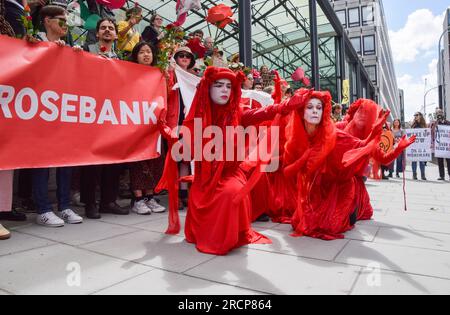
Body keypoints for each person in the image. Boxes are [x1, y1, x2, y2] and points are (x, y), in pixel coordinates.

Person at [158, 67, 299, 255]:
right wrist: (169, 134)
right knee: (212, 195)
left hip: (230, 174)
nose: (225, 90)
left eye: (228, 86)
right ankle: (208, 233)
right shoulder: (198, 116)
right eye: (219, 85)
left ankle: (225, 237)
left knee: (231, 193)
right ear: (208, 88)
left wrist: (287, 105)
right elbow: (186, 152)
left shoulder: (237, 114)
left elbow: (264, 112)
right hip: (204, 179)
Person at [127, 42, 166, 215]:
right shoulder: (128, 73)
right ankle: (138, 198)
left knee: (155, 160)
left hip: (154, 125)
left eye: (148, 52)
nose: (146, 55)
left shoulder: (159, 74)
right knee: (138, 162)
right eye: (141, 52)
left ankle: (150, 196)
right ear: (135, 55)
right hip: (136, 123)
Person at [431, 108, 450, 180]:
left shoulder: (448, 123)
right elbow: (432, 132)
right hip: (439, 146)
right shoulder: (435, 123)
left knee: (449, 161)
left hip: (447, 146)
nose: (439, 114)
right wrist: (435, 125)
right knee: (440, 161)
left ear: (443, 113)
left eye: (440, 112)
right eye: (437, 113)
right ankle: (442, 176)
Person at [411, 112, 428, 181]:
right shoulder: (413, 125)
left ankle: (423, 175)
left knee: (422, 161)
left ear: (420, 116)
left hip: (422, 145)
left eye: (417, 115)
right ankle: (414, 174)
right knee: (414, 161)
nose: (415, 116)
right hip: (414, 145)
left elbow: (427, 134)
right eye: (415, 115)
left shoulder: (424, 125)